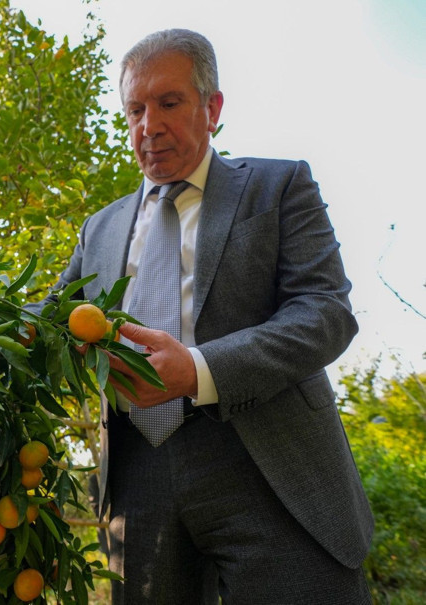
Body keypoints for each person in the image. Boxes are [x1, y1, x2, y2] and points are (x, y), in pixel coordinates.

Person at [25, 29, 373, 603]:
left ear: (212, 108)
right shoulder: (100, 228)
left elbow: (325, 311)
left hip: (266, 458)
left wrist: (198, 370)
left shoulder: (278, 185)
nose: (149, 125)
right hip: (137, 476)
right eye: (135, 109)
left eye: (169, 103)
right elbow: (52, 317)